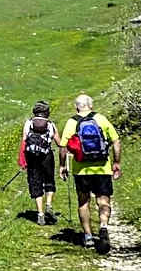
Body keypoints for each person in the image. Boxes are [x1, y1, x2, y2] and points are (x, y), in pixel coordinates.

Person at [59, 94, 122, 254]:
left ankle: (87, 235)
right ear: (91, 106)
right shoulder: (101, 119)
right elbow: (116, 141)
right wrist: (116, 162)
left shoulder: (72, 122)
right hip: (102, 167)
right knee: (103, 200)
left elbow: (63, 146)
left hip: (81, 170)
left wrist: (62, 165)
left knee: (83, 202)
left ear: (76, 107)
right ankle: (103, 225)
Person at [21, 100, 62, 226]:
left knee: (35, 182)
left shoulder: (28, 123)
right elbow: (60, 143)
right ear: (47, 112)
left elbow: (24, 140)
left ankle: (40, 214)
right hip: (47, 156)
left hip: (32, 156)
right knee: (49, 181)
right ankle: (48, 205)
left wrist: (22, 160)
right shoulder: (50, 124)